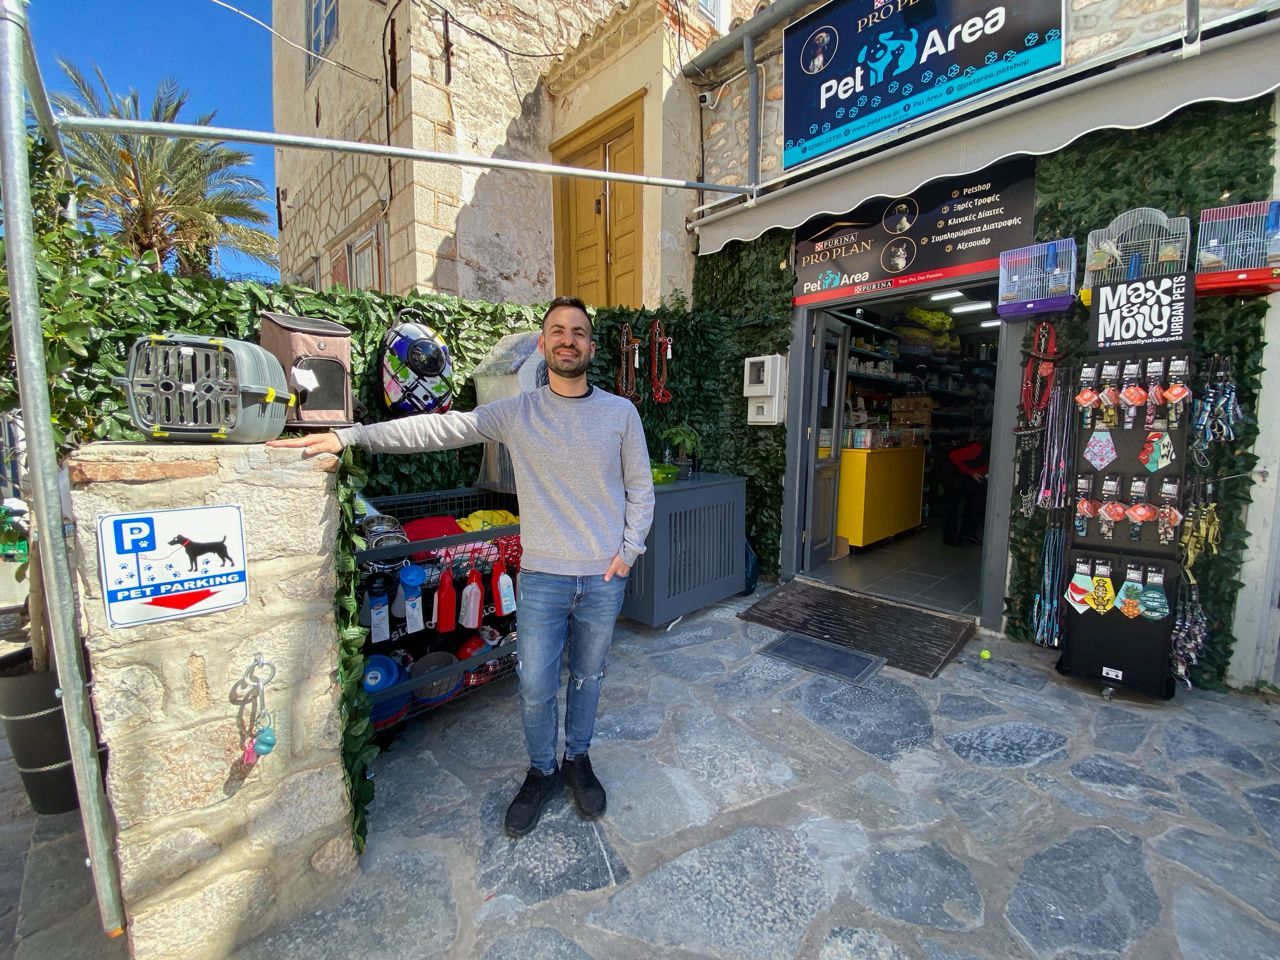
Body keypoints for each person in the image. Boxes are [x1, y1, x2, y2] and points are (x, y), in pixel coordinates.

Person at [268, 296, 655, 838]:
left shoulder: (620, 414)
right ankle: (543, 770)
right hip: (543, 578)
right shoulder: (517, 413)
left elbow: (641, 488)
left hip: (602, 580)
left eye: (579, 331)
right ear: (544, 345)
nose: (568, 339)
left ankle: (578, 760)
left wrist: (627, 551)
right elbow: (435, 429)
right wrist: (350, 435)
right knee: (536, 686)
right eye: (557, 331)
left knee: (589, 678)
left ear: (591, 346)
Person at [942, 439, 989, 547]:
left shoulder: (987, 451)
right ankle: (949, 538)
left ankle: (967, 534)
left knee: (976, 500)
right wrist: (971, 473)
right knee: (952, 504)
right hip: (951, 470)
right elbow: (953, 456)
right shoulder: (978, 448)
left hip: (965, 472)